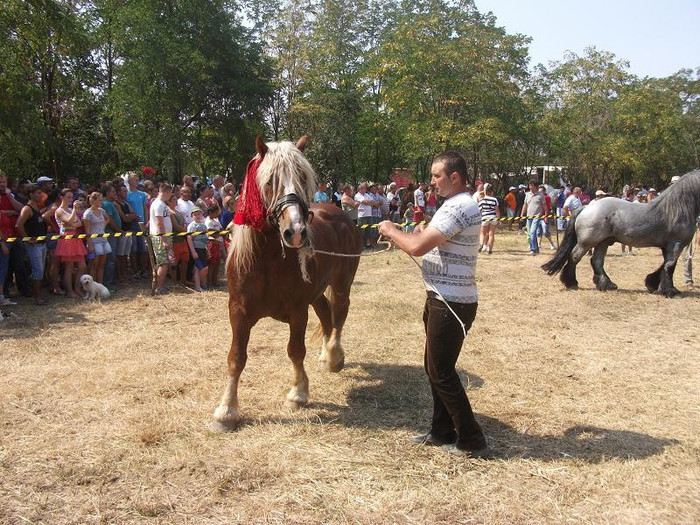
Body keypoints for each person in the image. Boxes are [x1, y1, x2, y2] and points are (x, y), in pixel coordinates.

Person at [378, 150, 493, 459]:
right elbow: (428, 241)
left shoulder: (458, 205)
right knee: (435, 368)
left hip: (450, 301)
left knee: (441, 371)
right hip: (444, 297)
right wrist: (417, 235)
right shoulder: (458, 205)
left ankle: (471, 439)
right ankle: (442, 431)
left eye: (436, 176)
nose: (432, 182)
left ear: (454, 177)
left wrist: (392, 231)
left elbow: (416, 247)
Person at [15, 184, 49, 305]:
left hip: (42, 243)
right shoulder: (27, 208)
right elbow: (19, 225)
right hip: (34, 245)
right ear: (31, 194)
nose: (41, 195)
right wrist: (27, 239)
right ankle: (37, 297)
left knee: (40, 270)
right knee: (37, 270)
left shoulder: (37, 208)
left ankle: (38, 295)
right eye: (38, 193)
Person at [83, 191, 121, 285]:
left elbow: (108, 218)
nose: (101, 201)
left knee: (101, 265)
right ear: (93, 200)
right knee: (93, 265)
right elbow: (87, 230)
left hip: (103, 240)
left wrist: (103, 225)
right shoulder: (88, 213)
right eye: (100, 200)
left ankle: (100, 285)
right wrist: (90, 244)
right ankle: (92, 286)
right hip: (94, 241)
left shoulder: (102, 211)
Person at [55, 189, 87, 298]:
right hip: (66, 239)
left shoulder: (69, 210)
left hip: (75, 238)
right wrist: (74, 211)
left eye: (71, 197)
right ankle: (70, 291)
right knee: (69, 266)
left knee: (82, 266)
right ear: (62, 197)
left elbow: (78, 223)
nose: (70, 199)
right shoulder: (59, 210)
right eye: (68, 197)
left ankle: (77, 288)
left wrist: (72, 219)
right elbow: (69, 221)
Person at [149, 182, 174, 295]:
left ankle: (161, 286)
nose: (170, 196)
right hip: (160, 238)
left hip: (165, 236)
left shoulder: (161, 204)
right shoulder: (158, 204)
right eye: (170, 193)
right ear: (167, 192)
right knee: (162, 262)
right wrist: (164, 240)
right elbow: (160, 224)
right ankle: (159, 288)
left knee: (165, 262)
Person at [126, 171, 149, 278]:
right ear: (129, 181)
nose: (137, 181)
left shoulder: (142, 194)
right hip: (131, 224)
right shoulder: (126, 194)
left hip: (141, 223)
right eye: (135, 179)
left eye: (137, 179)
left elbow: (145, 209)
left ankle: (143, 270)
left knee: (143, 247)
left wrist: (147, 221)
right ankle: (134, 270)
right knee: (133, 248)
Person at [167, 192, 190, 287]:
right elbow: (175, 226)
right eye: (173, 199)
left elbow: (184, 222)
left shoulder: (177, 211)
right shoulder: (169, 212)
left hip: (182, 239)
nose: (176, 201)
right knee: (175, 262)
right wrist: (186, 231)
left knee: (185, 260)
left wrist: (185, 229)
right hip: (175, 240)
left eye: (176, 199)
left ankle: (183, 281)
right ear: (168, 201)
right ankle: (174, 282)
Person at [187, 206, 209, 292]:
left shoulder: (204, 225)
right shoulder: (192, 226)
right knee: (202, 268)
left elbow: (206, 238)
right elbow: (189, 238)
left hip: (203, 248)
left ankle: (200, 285)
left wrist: (208, 249)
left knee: (199, 268)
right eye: (195, 214)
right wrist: (193, 251)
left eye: (199, 214)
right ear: (192, 216)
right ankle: (200, 285)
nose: (197, 216)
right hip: (196, 248)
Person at [521, 180, 546, 255]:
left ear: (536, 187)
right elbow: (525, 205)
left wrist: (546, 215)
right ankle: (536, 249)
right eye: (530, 185)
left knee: (532, 232)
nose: (530, 187)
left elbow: (544, 206)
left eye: (532, 185)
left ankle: (533, 249)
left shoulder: (540, 195)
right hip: (529, 216)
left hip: (537, 217)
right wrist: (522, 215)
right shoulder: (527, 194)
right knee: (530, 233)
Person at [205, 203, 224, 288]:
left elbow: (220, 229)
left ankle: (215, 280)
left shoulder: (216, 220)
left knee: (217, 263)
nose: (217, 214)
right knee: (211, 264)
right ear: (210, 212)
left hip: (218, 243)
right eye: (215, 212)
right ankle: (209, 282)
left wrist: (220, 233)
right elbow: (211, 233)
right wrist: (218, 234)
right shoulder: (208, 221)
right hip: (212, 243)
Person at [477, 183, 500, 254]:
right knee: (491, 234)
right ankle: (490, 249)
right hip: (493, 218)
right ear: (491, 192)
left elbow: (479, 211)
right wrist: (498, 219)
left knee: (482, 233)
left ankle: (481, 244)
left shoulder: (482, 200)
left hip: (484, 218)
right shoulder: (494, 200)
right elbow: (497, 210)